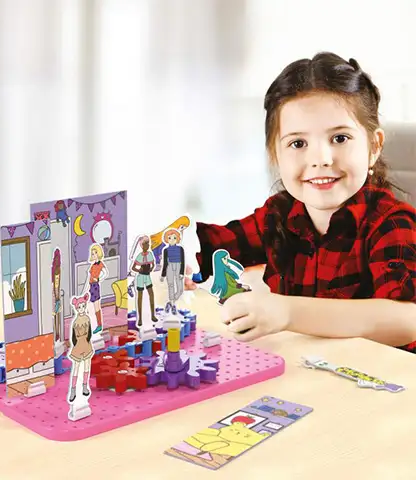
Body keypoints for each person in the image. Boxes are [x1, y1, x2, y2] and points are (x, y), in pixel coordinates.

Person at [185, 52, 416, 353]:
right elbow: (212, 246)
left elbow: (407, 319)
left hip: (382, 377)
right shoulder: (279, 214)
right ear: (275, 154)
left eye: (340, 138)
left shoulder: (393, 224)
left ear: (374, 146)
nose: (320, 159)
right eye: (298, 143)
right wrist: (182, 253)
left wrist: (286, 312)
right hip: (307, 370)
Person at [67, 293, 93, 403]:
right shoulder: (76, 322)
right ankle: (73, 390)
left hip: (86, 344)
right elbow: (73, 336)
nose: (81, 309)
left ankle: (85, 386)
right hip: (78, 345)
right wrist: (76, 344)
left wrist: (87, 340)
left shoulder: (87, 318)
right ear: (76, 308)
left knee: (87, 367)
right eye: (79, 307)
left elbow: (89, 332)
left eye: (83, 306)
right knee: (76, 368)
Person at [131, 235, 158, 326]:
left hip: (147, 276)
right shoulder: (139, 256)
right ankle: (140, 318)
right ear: (142, 245)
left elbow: (153, 264)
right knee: (140, 297)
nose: (148, 245)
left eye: (148, 243)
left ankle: (153, 315)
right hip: (141, 277)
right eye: (146, 243)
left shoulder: (150, 254)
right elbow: (133, 267)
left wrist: (151, 269)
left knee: (151, 294)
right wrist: (139, 270)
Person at [160, 228, 185, 314]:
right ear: (166, 239)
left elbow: (183, 261)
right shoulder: (166, 250)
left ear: (177, 239)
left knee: (180, 289)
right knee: (171, 285)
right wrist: (163, 275)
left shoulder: (180, 249)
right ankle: (173, 305)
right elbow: (165, 263)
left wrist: (181, 272)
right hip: (169, 266)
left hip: (178, 266)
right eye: (169, 238)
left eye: (174, 238)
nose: (172, 240)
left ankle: (170, 303)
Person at [86, 243, 108, 334]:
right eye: (92, 254)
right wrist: (86, 290)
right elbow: (89, 278)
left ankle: (99, 325)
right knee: (92, 306)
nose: (94, 255)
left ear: (98, 253)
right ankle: (96, 324)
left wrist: (98, 279)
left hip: (95, 286)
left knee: (96, 307)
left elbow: (105, 273)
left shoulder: (100, 264)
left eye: (95, 253)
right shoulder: (92, 266)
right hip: (91, 286)